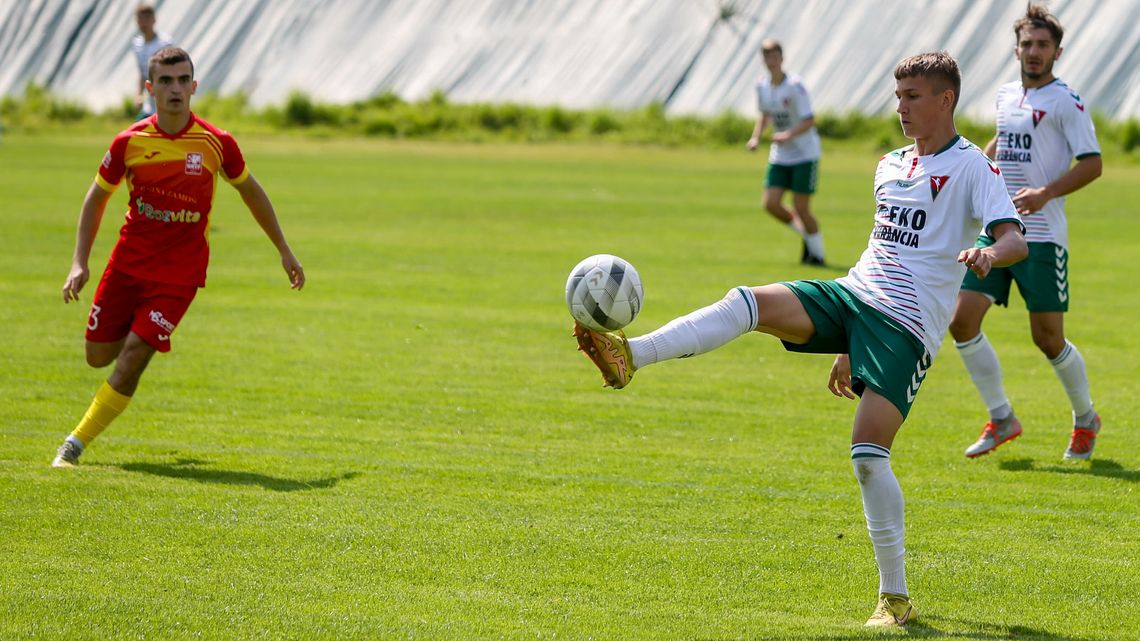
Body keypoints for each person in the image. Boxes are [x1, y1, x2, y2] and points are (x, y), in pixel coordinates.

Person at [575, 52, 1026, 626]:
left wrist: (988, 252)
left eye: (913, 96)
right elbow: (882, 250)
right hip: (855, 295)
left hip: (906, 327)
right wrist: (844, 341)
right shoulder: (889, 164)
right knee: (749, 301)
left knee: (868, 456)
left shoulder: (972, 169)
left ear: (945, 100)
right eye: (897, 95)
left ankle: (895, 599)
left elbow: (1016, 240)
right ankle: (632, 355)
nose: (900, 106)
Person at [52, 47, 305, 468]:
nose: (175, 89)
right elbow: (96, 198)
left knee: (133, 356)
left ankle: (74, 445)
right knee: (98, 356)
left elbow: (251, 192)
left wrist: (284, 249)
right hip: (127, 264)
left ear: (194, 86)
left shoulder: (215, 143)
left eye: (183, 80)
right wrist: (80, 261)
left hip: (179, 276)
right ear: (150, 89)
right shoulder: (129, 142)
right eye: (166, 81)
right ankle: (112, 379)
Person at [949, 4, 1103, 460]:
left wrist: (1045, 193)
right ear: (1016, 48)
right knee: (961, 321)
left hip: (1042, 237)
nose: (1033, 52)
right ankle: (1001, 418)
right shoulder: (1004, 95)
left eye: (1042, 45)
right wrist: (976, 164)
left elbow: (1092, 163)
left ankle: (1085, 417)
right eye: (1027, 44)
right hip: (997, 231)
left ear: (1057, 50)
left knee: (1047, 338)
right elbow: (1000, 143)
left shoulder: (1066, 101)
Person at [746, 39, 826, 266]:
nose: (770, 61)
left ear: (782, 58)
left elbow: (809, 120)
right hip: (781, 154)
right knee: (770, 204)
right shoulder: (762, 85)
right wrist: (756, 138)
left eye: (774, 56)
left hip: (804, 153)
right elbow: (764, 115)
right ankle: (805, 236)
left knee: (801, 207)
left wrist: (788, 135)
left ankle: (817, 255)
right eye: (766, 57)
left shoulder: (795, 85)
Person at [131, 3, 175, 120]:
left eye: (146, 18)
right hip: (150, 102)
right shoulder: (137, 44)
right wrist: (139, 95)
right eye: (140, 18)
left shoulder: (165, 43)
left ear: (154, 20)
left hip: (167, 100)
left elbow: (173, 72)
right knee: (139, 131)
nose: (143, 22)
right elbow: (142, 72)